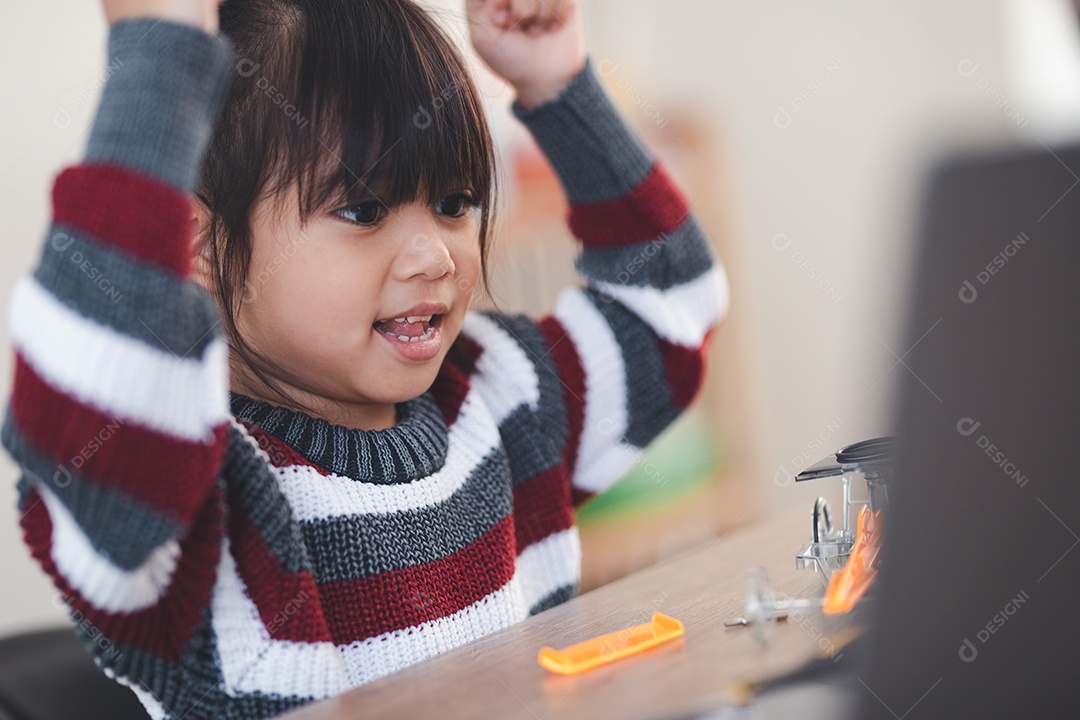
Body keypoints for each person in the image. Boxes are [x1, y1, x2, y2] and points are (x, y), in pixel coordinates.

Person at [1, 0, 728, 717]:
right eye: (363, 211)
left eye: (454, 201)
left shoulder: (500, 393)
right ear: (201, 246)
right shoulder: (201, 502)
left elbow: (669, 306)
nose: (435, 256)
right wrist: (160, 53)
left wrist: (556, 85)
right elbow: (81, 411)